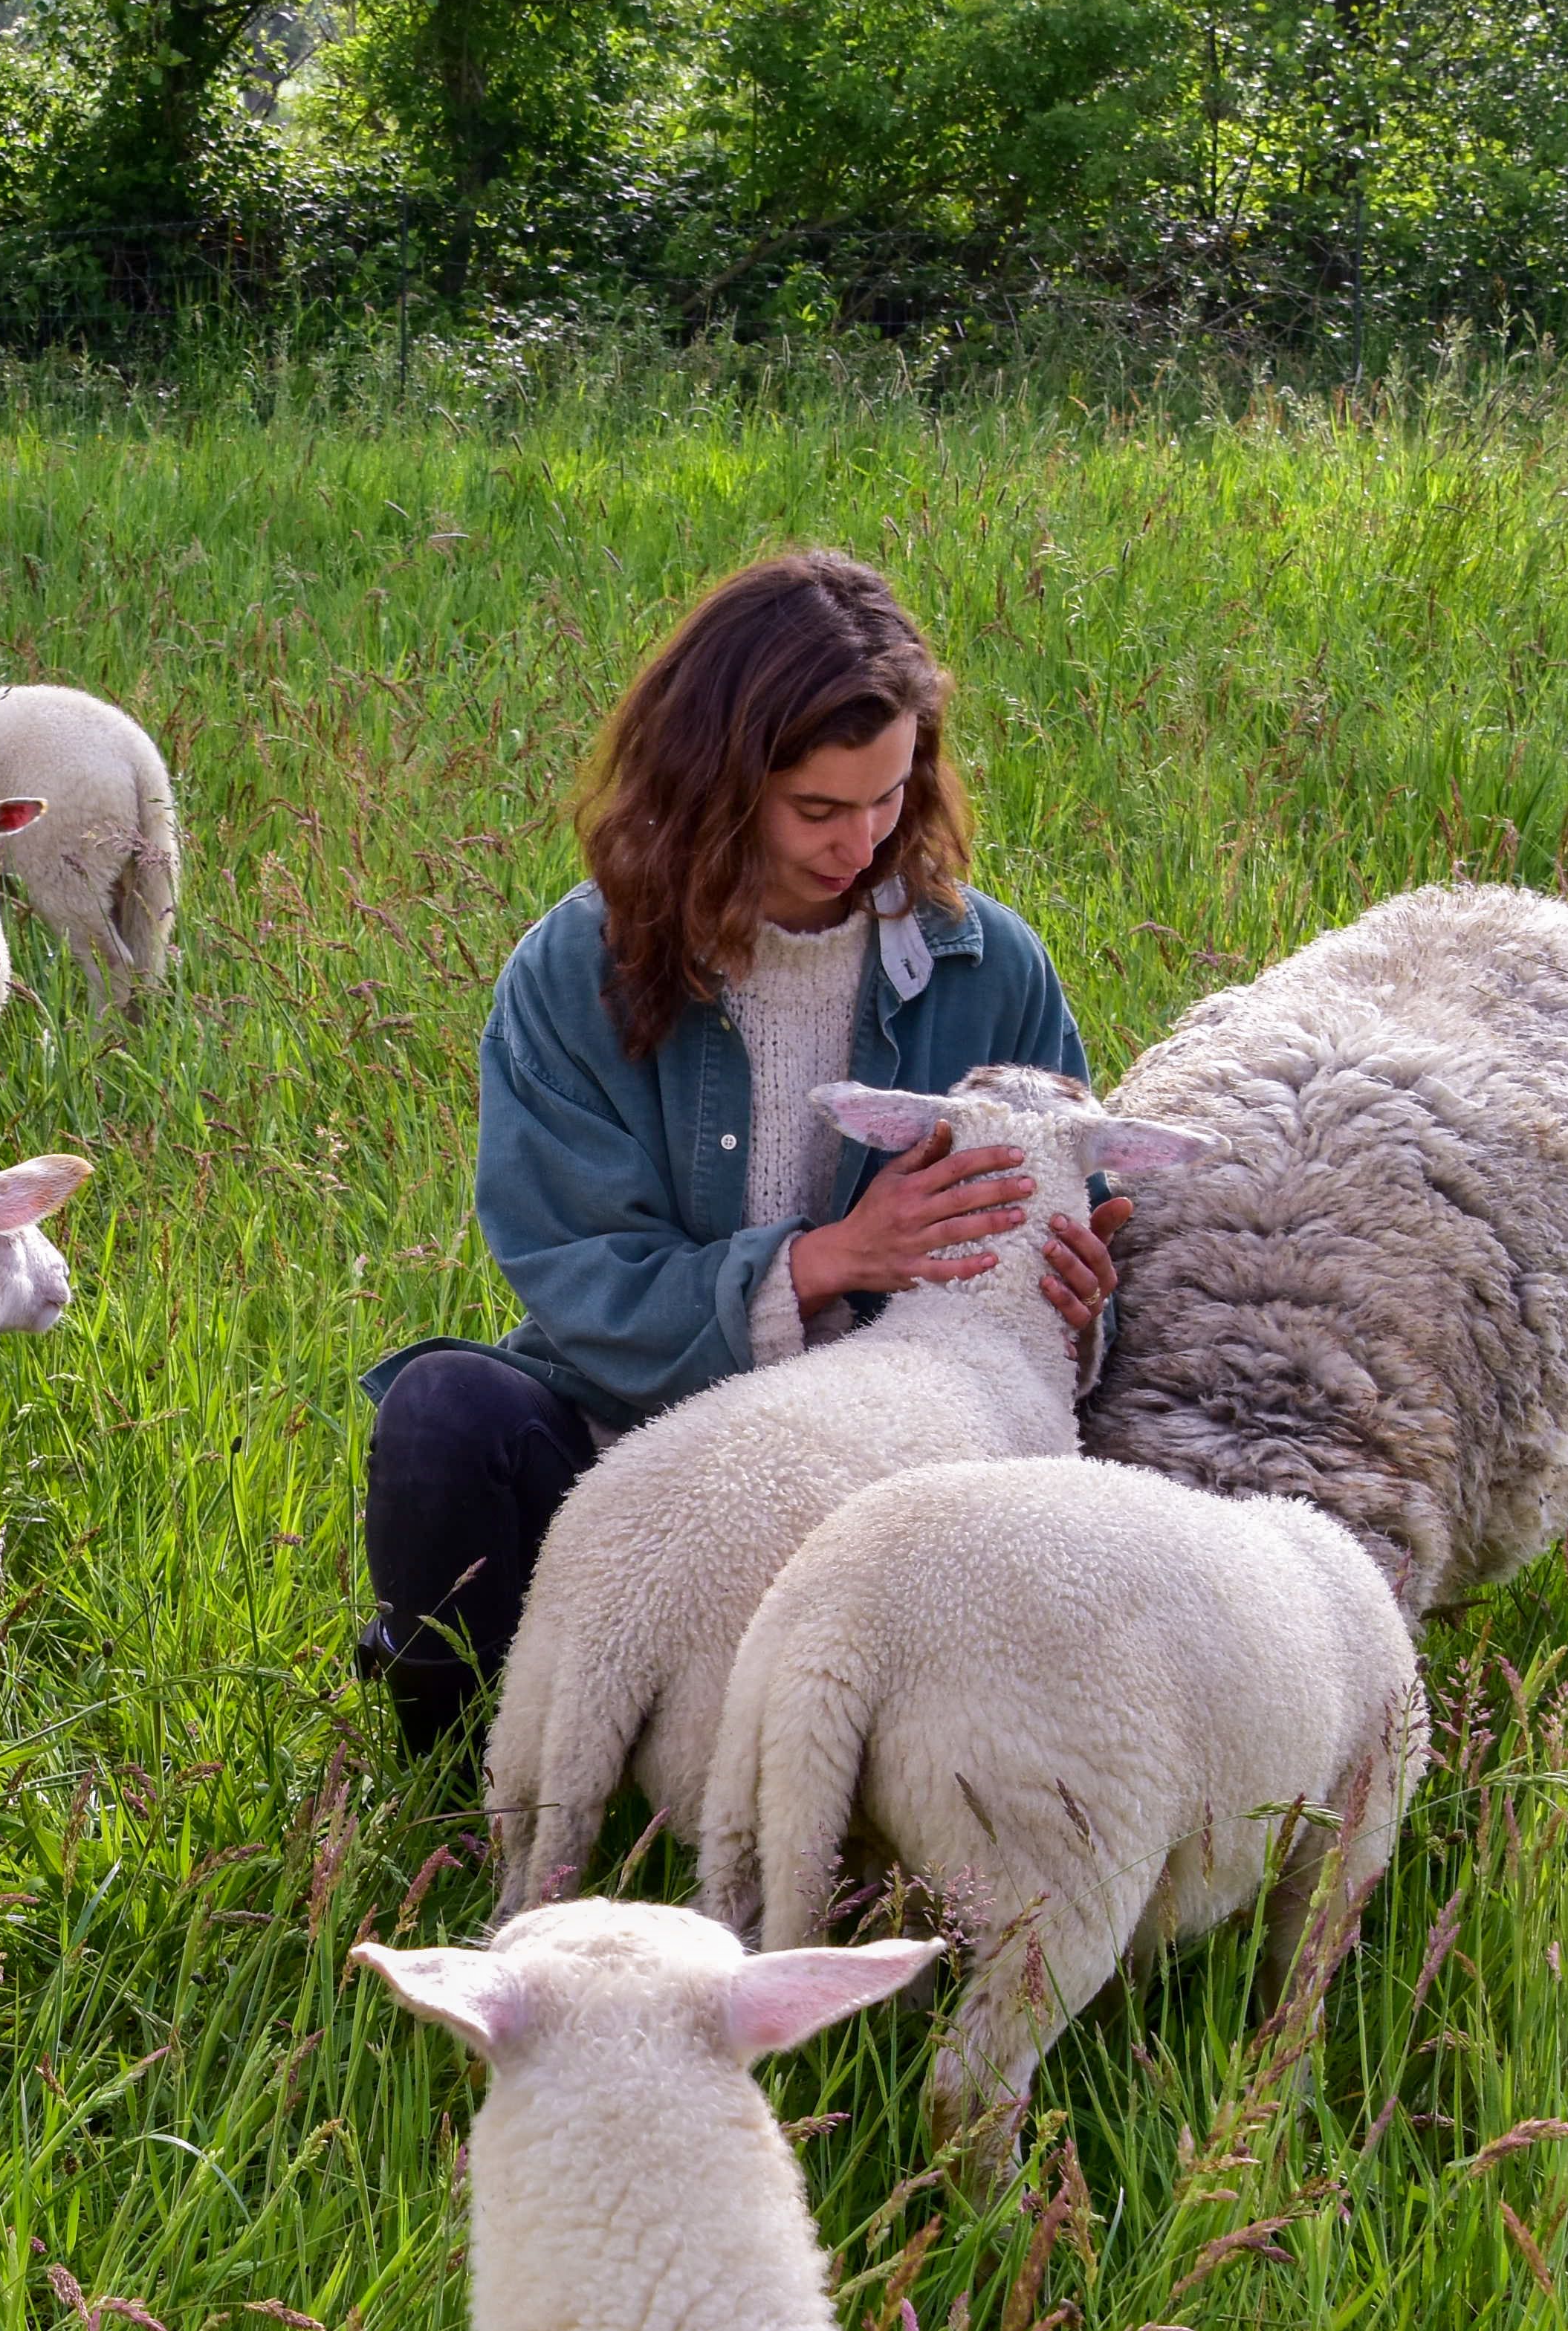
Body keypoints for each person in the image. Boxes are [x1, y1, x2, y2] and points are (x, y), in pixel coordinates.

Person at [358, 549, 1129, 1760]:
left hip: (888, 1461)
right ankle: (467, 1772)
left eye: (888, 798)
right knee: (443, 1416)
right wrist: (825, 1260)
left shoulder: (994, 969)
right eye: (819, 809)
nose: (863, 842)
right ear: (715, 780)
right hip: (623, 1426)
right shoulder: (575, 974)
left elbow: (1078, 1223)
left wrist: (1084, 1303)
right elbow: (576, 1274)